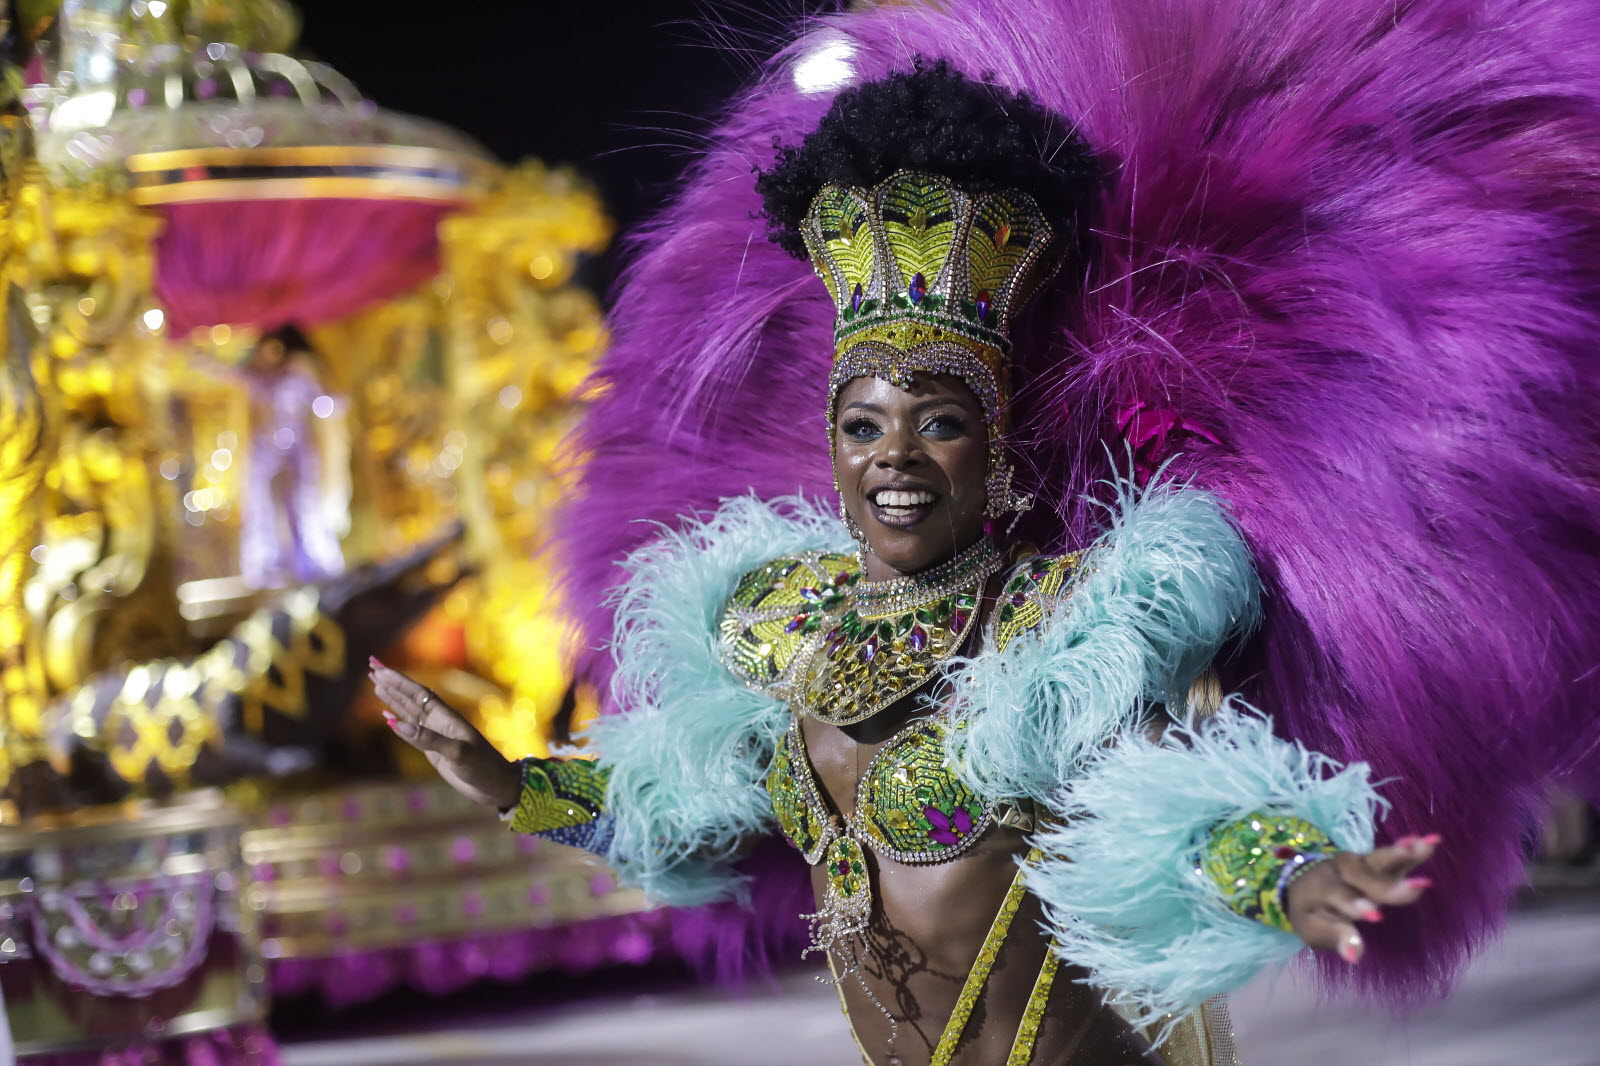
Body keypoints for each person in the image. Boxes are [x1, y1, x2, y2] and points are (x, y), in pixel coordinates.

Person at [374, 1, 1600, 1063]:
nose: (895, 457)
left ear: (997, 444)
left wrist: (1293, 874)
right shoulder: (785, 623)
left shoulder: (1055, 626)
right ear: (830, 435)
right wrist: (501, 778)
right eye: (863, 424)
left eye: (940, 420)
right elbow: (689, 811)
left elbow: (1168, 809)